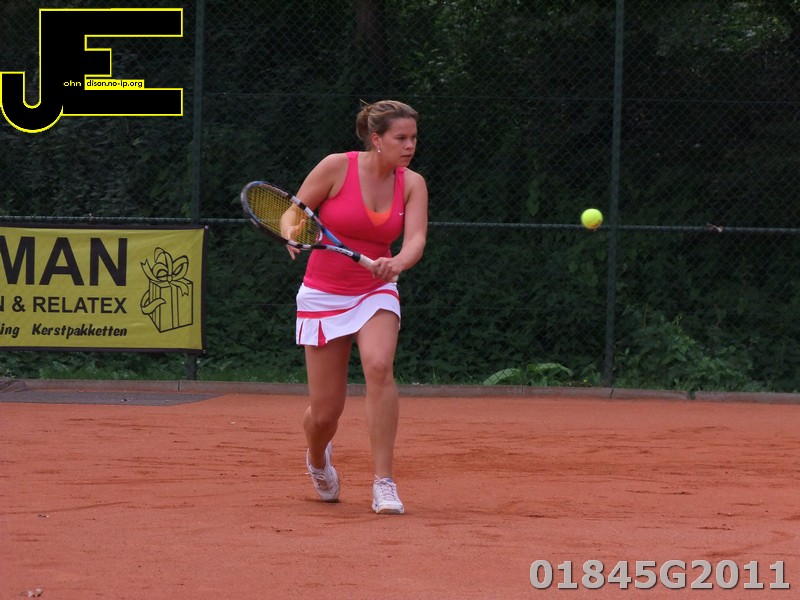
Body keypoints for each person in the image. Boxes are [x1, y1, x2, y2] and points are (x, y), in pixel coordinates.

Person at [281, 99, 428, 514]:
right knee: (326, 413)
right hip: (323, 292)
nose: (410, 145)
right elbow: (293, 213)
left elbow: (416, 239)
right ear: (376, 139)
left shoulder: (412, 183)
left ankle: (384, 482)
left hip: (374, 290)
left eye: (414, 138)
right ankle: (317, 458)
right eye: (401, 138)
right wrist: (291, 233)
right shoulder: (336, 167)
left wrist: (397, 263)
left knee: (379, 366)